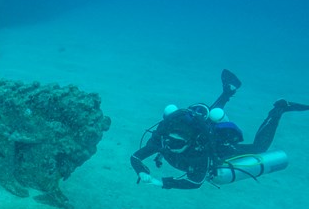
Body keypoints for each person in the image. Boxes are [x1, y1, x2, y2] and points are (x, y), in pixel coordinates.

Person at [130, 69, 309, 189]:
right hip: (201, 124)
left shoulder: (201, 150)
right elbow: (135, 157)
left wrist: (160, 182)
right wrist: (141, 171)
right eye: (170, 140)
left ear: (190, 142)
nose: (171, 145)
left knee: (258, 149)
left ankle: (279, 109)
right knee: (208, 117)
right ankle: (227, 92)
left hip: (218, 144)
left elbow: (195, 182)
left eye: (178, 143)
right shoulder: (162, 139)